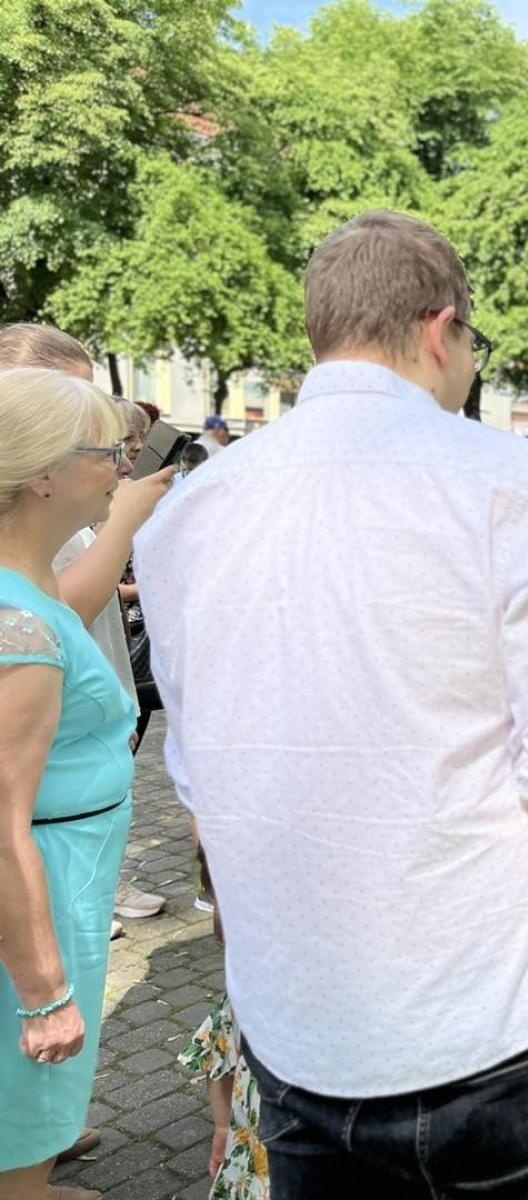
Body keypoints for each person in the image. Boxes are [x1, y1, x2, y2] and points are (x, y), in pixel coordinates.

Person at [135, 210, 528, 1199]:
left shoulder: (184, 517)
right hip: (491, 1026)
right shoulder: (509, 482)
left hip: (299, 1036)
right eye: (473, 345)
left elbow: (201, 781)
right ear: (441, 329)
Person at [0, 367, 138, 1200]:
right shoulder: (17, 626)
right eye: (105, 454)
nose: (120, 468)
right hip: (41, 886)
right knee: (25, 1094)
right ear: (42, 472)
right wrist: (45, 992)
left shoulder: (28, 583)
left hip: (66, 870)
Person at [0, 328, 175, 928]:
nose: (112, 449)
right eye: (78, 421)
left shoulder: (49, 522)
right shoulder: (17, 593)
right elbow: (45, 617)